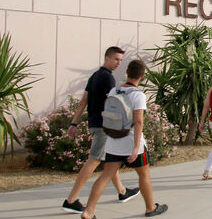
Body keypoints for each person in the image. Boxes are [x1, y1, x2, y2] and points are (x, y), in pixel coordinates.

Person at [81, 59, 168, 218]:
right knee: (143, 174)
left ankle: (89, 210)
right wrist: (136, 148)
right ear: (142, 75)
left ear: (127, 72)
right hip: (130, 142)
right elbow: (138, 121)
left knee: (106, 175)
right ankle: (150, 208)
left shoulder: (114, 91)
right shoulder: (138, 95)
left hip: (113, 140)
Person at [62, 46, 140, 213]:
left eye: (120, 60)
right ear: (107, 58)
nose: (118, 62)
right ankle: (71, 200)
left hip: (94, 124)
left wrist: (74, 123)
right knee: (94, 160)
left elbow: (83, 102)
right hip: (103, 126)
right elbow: (112, 106)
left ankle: (122, 192)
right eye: (116, 59)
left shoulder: (95, 76)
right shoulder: (108, 79)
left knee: (110, 160)